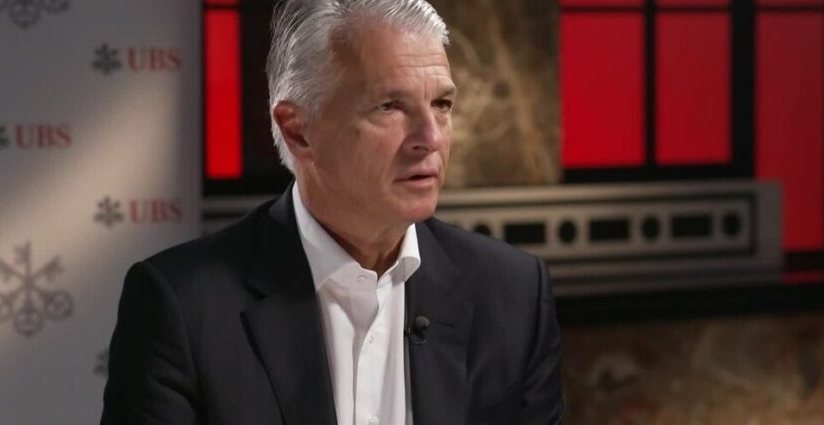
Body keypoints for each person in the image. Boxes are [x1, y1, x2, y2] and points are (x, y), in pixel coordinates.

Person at [99, 0, 563, 424]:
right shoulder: (182, 307)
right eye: (390, 106)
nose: (432, 137)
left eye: (441, 104)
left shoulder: (512, 296)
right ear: (298, 131)